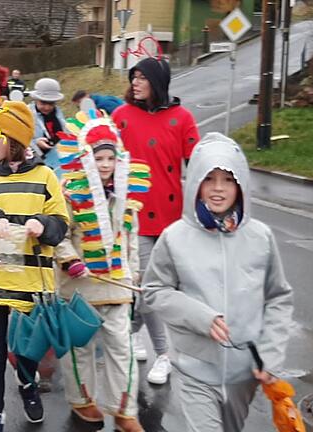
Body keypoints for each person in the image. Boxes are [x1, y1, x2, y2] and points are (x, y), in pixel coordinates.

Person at [141, 132, 294, 432]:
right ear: (196, 182)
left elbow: (278, 297)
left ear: (241, 184)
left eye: (228, 179)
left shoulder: (260, 237)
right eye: (209, 179)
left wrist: (270, 355)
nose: (218, 189)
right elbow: (154, 291)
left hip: (244, 373)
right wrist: (200, 317)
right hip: (195, 369)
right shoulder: (175, 238)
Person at [0, 100, 69, 431]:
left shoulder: (46, 176)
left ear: (13, 139)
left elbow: (61, 226)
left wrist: (43, 225)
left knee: (26, 350)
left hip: (32, 284)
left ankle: (28, 385)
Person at [53, 117, 145, 432]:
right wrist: (69, 260)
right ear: (86, 157)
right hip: (79, 285)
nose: (105, 164)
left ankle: (124, 410)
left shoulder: (127, 192)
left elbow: (131, 238)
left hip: (117, 284)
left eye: (110, 158)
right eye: (98, 158)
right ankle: (83, 400)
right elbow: (58, 235)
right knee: (80, 347)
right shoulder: (69, 192)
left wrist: (134, 275)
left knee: (123, 347)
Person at [112, 57, 200, 385]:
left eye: (142, 78)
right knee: (147, 285)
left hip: (169, 217)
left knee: (151, 287)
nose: (135, 83)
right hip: (130, 215)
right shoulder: (121, 116)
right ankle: (163, 352)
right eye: (133, 77)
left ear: (157, 82)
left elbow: (198, 164)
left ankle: (137, 333)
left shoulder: (182, 119)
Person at [28, 78, 67, 173]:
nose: (47, 107)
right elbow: (20, 140)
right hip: (36, 163)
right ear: (36, 99)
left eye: (51, 104)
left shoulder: (57, 112)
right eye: (43, 103)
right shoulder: (27, 113)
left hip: (58, 159)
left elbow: (65, 131)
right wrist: (36, 143)